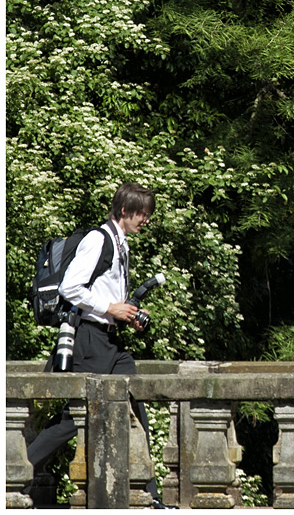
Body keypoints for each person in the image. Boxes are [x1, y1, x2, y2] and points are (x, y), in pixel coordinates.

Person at [26, 183, 175, 509]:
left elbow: (104, 295)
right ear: (125, 211)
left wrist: (127, 314)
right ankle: (17, 468)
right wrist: (111, 309)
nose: (146, 221)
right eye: (142, 214)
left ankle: (149, 496)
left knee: (136, 405)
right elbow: (70, 287)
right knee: (74, 418)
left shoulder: (121, 244)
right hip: (89, 340)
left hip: (110, 340)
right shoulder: (99, 240)